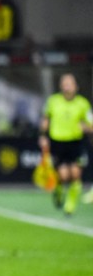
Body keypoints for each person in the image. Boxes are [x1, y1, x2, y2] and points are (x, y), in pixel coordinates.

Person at [39, 73, 93, 215]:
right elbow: (46, 119)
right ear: (61, 86)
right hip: (58, 142)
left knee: (75, 174)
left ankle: (70, 205)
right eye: (65, 84)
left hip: (75, 142)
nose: (67, 87)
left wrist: (85, 127)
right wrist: (43, 136)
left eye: (70, 84)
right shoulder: (53, 101)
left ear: (76, 87)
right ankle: (59, 189)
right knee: (63, 175)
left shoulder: (83, 104)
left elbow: (91, 125)